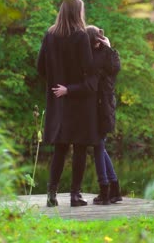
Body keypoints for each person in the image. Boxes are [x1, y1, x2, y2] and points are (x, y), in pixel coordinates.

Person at [37, 0, 99, 207]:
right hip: (78, 100)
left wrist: (56, 85)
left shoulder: (49, 34)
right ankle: (75, 196)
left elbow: (40, 67)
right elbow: (89, 70)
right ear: (76, 12)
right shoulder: (80, 36)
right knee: (79, 148)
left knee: (60, 149)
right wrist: (71, 88)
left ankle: (51, 195)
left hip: (57, 101)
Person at [52, 25, 122, 205]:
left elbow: (114, 68)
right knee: (100, 147)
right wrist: (108, 48)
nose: (99, 41)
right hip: (98, 106)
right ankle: (112, 188)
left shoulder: (99, 56)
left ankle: (108, 190)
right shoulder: (94, 55)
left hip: (100, 107)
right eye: (97, 39)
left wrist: (109, 47)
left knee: (99, 146)